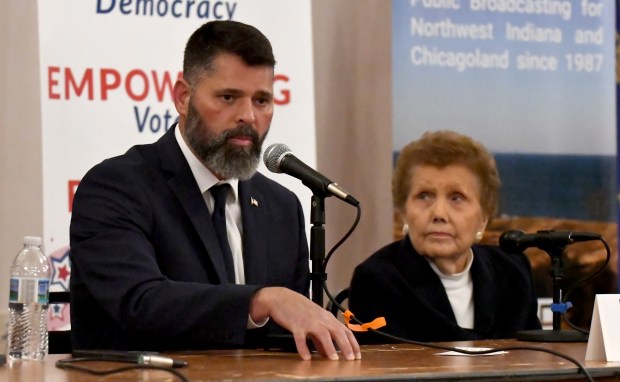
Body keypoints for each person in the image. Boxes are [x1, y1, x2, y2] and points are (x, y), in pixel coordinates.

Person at [69, 20, 360, 361]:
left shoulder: (282, 208)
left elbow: (288, 342)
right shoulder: (116, 187)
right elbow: (139, 304)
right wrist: (261, 300)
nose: (248, 116)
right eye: (228, 97)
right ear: (183, 97)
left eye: (262, 100)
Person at [348, 130, 541, 343]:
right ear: (403, 211)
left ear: (484, 216)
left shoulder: (512, 272)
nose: (439, 213)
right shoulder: (377, 279)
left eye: (456, 198)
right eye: (424, 196)